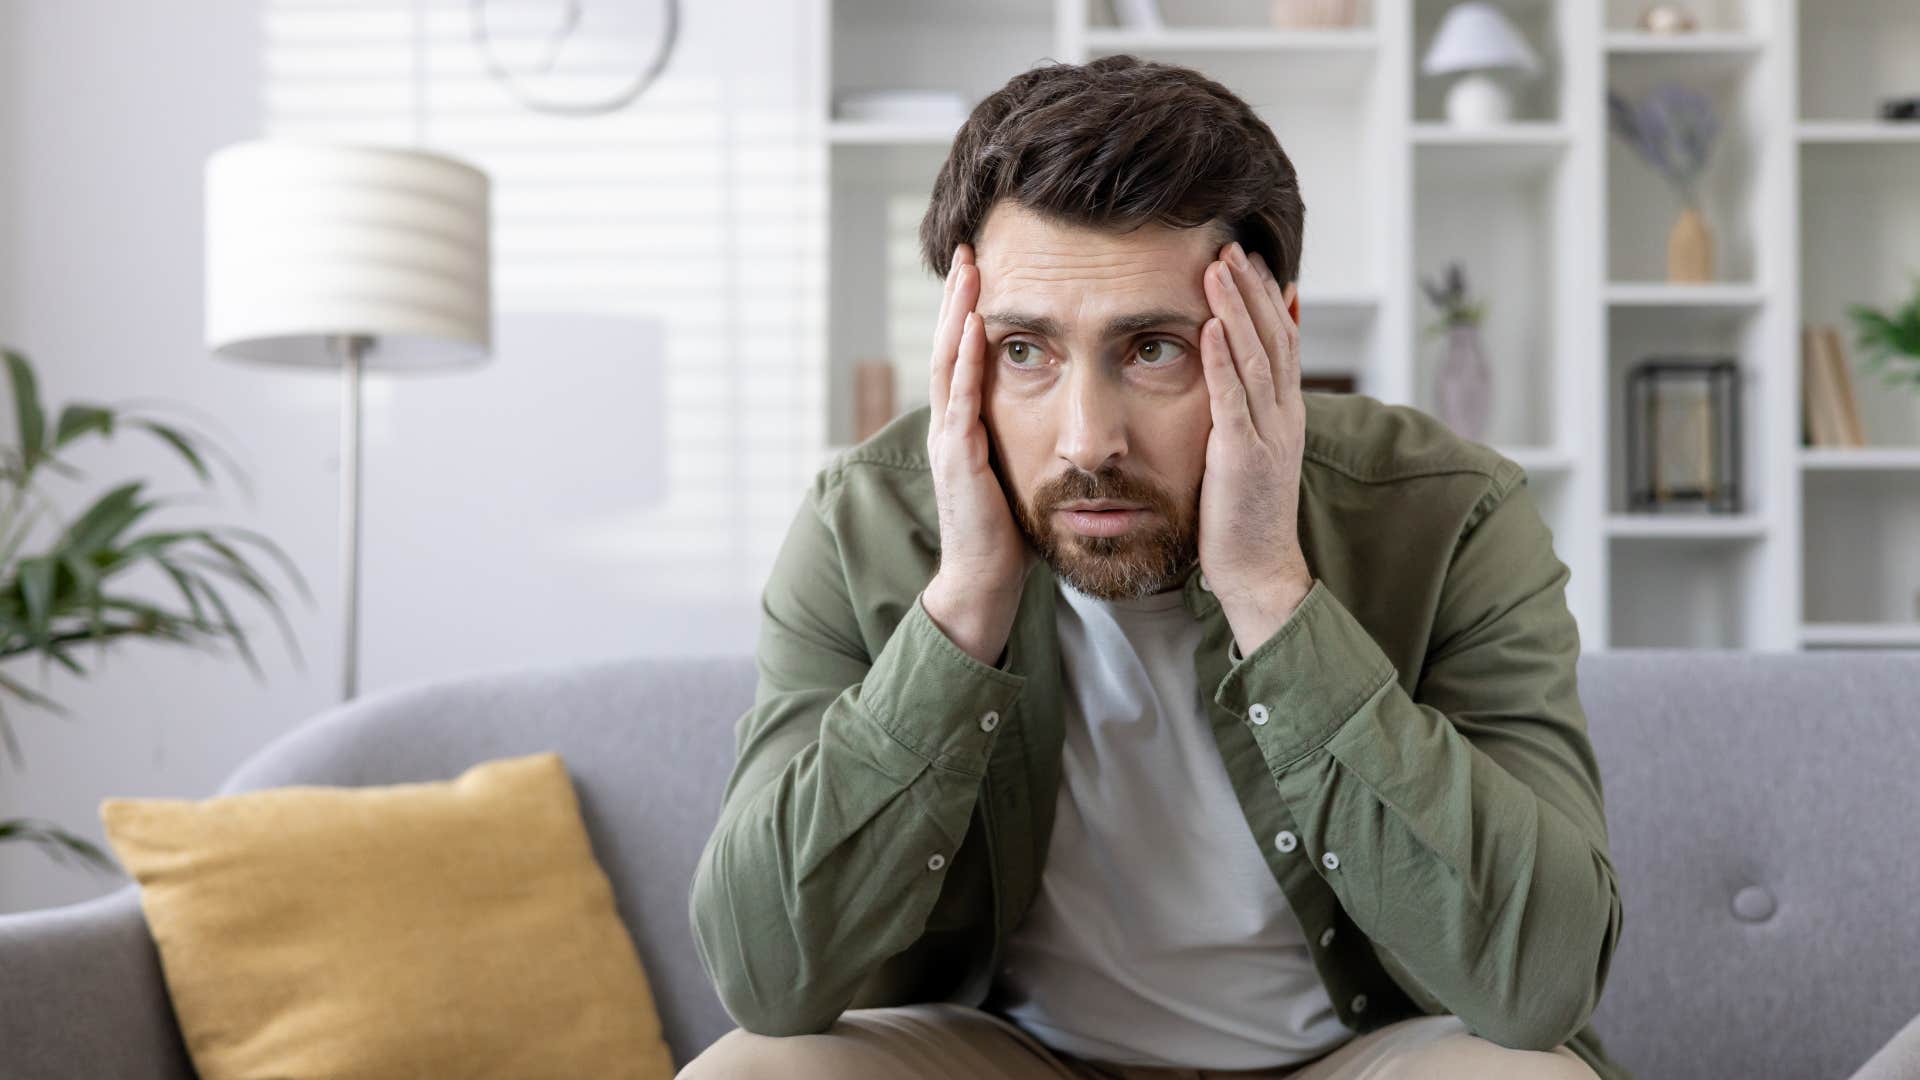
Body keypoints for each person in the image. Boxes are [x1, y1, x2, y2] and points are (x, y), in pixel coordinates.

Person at [681, 52, 1626, 1080]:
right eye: (1027, 352)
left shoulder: (1452, 512)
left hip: (1357, 1059)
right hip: (1014, 1059)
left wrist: (1270, 588)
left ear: (1276, 337)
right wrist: (962, 609)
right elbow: (767, 978)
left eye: (1154, 349)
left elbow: (1543, 981)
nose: (1088, 440)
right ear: (964, 346)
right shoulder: (859, 522)